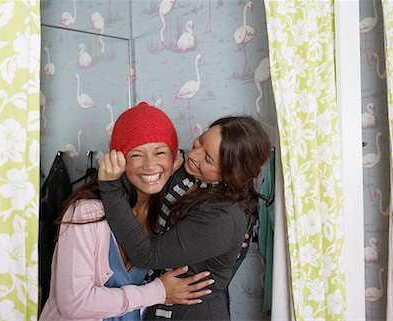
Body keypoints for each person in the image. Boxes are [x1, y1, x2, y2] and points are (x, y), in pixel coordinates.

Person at [39, 102, 213, 321]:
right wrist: (158, 291)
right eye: (137, 155)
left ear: (174, 157)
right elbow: (75, 304)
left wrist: (232, 233)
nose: (150, 165)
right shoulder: (86, 212)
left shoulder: (167, 213)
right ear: (118, 160)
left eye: (160, 152)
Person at [98, 115, 272, 321]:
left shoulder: (222, 218)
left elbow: (146, 255)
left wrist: (110, 186)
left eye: (208, 159)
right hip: (158, 307)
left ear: (230, 174)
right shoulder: (188, 178)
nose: (194, 155)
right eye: (200, 141)